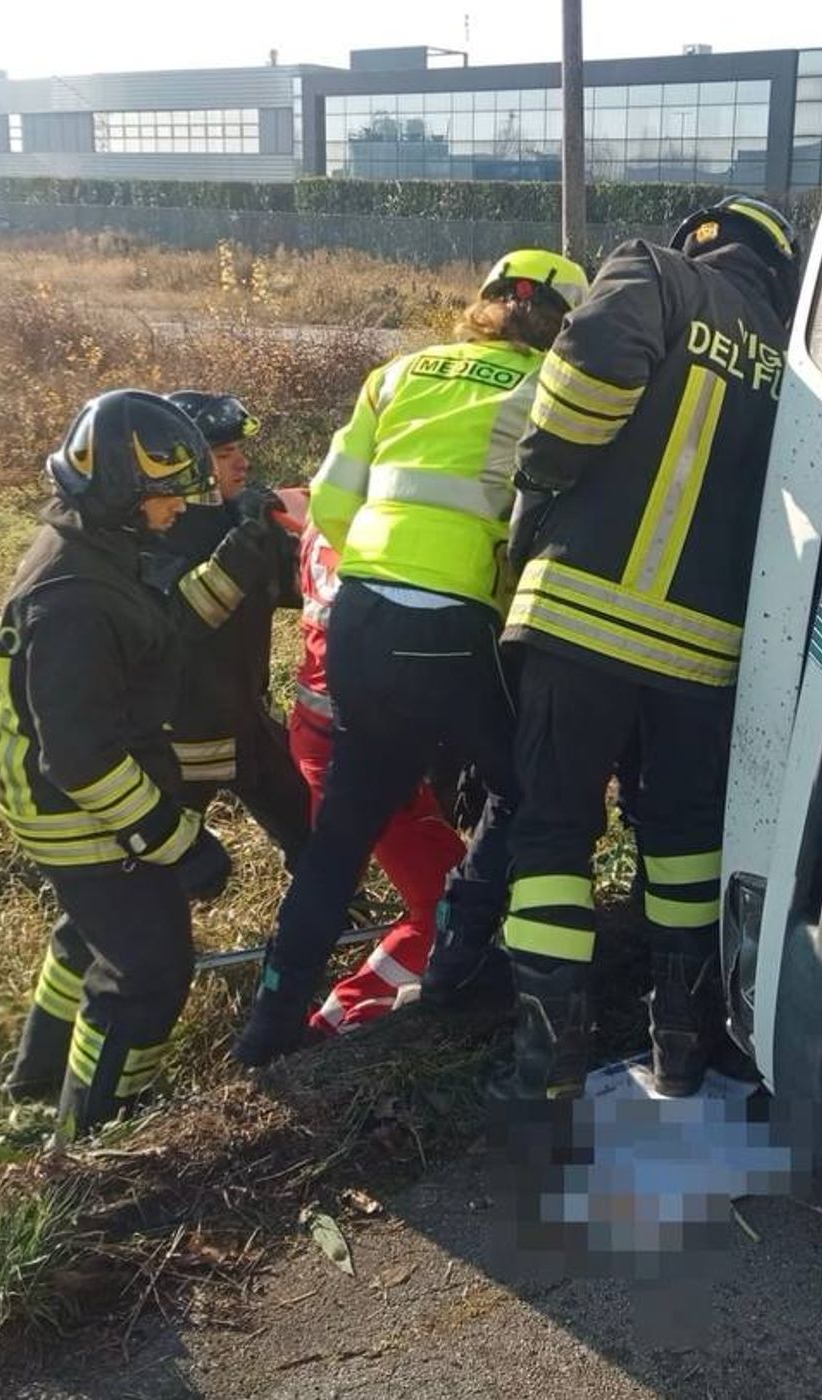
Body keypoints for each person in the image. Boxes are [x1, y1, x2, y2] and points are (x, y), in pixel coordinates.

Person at [231, 248, 590, 1067]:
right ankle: (472, 958)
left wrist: (383, 574)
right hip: (452, 627)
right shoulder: (547, 390)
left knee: (344, 834)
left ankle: (270, 1024)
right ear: (564, 325)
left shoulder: (398, 373)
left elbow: (329, 500)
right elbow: (542, 521)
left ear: (487, 302)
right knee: (527, 793)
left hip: (358, 618)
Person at [480, 195, 801, 1099]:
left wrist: (541, 479)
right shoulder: (803, 364)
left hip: (581, 617)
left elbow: (582, 376)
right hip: (705, 656)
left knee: (552, 830)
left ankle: (547, 1065)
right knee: (686, 839)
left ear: (702, 240)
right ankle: (683, 1045)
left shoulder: (657, 275)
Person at [0, 390, 232, 1137]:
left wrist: (246, 551)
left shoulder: (94, 551)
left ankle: (38, 1085)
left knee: (87, 934)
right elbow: (84, 756)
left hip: (57, 800)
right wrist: (175, 839)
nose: (178, 513)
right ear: (124, 491)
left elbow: (154, 637)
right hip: (79, 814)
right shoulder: (74, 600)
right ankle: (98, 1128)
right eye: (166, 497)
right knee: (146, 973)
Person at [274, 487, 466, 1036]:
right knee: (451, 902)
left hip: (328, 741)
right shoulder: (398, 541)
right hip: (358, 752)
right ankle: (337, 1022)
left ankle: (323, 1012)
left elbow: (299, 500)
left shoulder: (336, 510)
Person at [143, 391, 310, 870]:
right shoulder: (158, 531)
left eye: (239, 450)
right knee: (161, 864)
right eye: (222, 455)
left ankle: (332, 921)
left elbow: (295, 589)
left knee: (313, 836)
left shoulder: (238, 518)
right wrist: (248, 536)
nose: (241, 463)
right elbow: (186, 620)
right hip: (180, 742)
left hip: (248, 725)